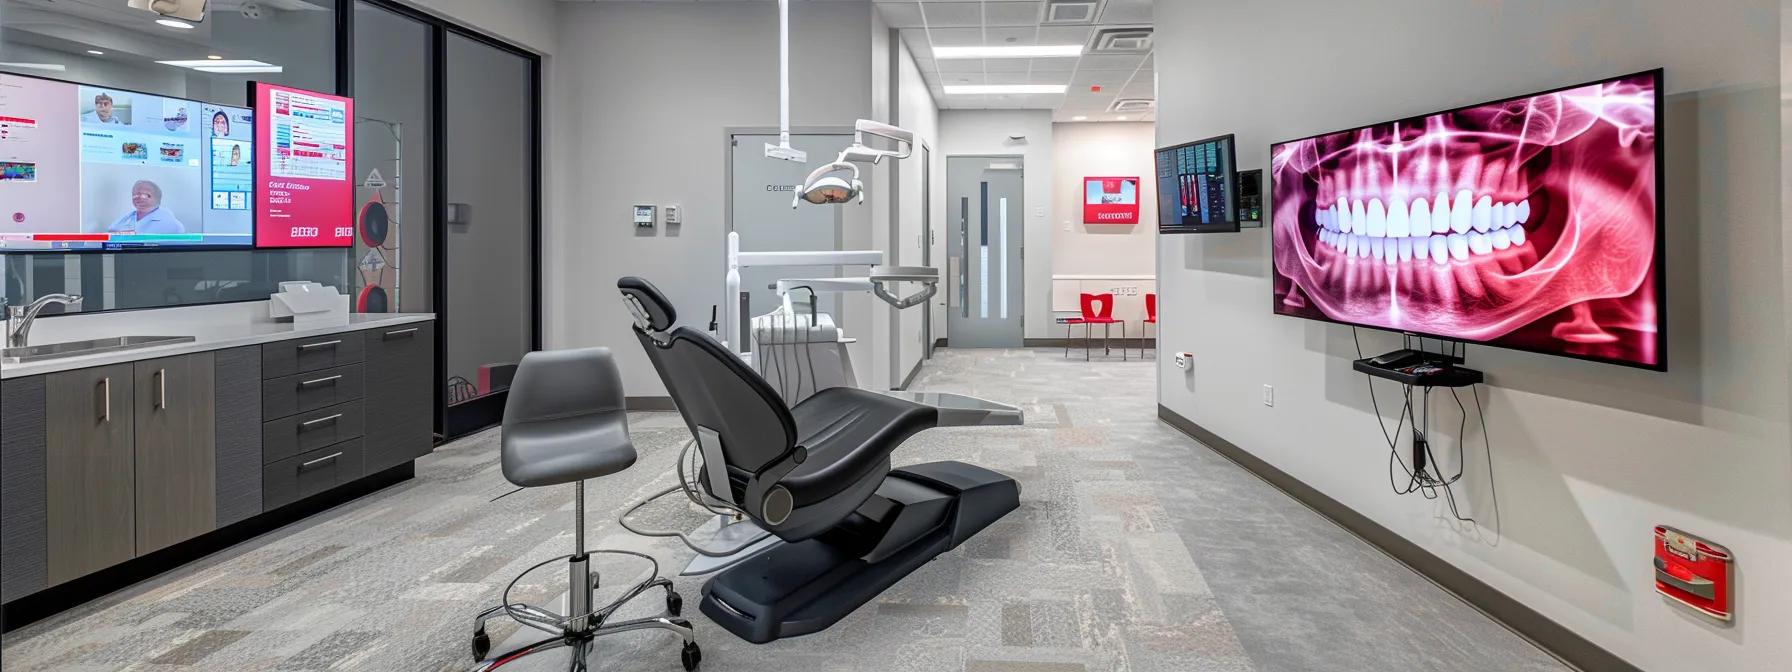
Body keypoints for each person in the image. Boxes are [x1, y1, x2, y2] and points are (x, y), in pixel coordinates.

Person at [108, 180, 185, 234]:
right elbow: (110, 235)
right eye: (135, 194)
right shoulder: (125, 219)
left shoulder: (171, 224)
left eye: (145, 194)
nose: (139, 197)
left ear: (157, 198)